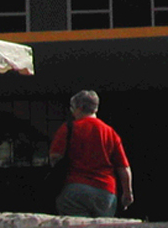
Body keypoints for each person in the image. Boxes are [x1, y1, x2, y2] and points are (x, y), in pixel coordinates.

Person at [50, 89, 133, 217]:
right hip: (106, 192)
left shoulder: (68, 128)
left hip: (74, 188)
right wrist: (127, 193)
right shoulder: (110, 132)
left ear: (79, 108)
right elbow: (124, 167)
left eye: (72, 108)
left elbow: (55, 157)